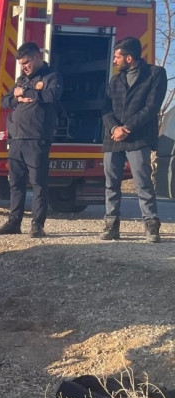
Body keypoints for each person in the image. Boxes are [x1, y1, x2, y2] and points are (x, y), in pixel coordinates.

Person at [100, 37, 167, 243]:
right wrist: (114, 127)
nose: (114, 61)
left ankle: (151, 225)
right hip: (113, 139)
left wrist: (127, 128)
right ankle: (111, 225)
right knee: (111, 183)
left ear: (129, 58)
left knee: (142, 182)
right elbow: (106, 108)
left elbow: (152, 107)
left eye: (117, 57)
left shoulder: (155, 74)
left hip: (138, 138)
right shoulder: (115, 80)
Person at [0, 42, 62, 238]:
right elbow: (5, 101)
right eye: (21, 64)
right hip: (16, 138)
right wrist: (17, 98)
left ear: (38, 57)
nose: (24, 67)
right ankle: (14, 223)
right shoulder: (21, 79)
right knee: (15, 183)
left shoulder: (52, 76)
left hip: (36, 137)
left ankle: (37, 225)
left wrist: (27, 93)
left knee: (38, 183)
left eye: (27, 62)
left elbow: (51, 96)